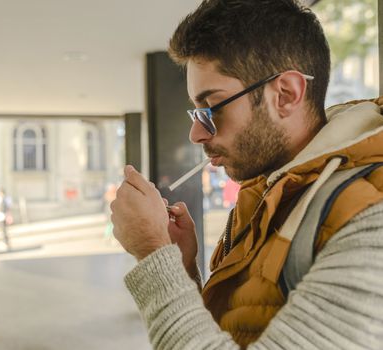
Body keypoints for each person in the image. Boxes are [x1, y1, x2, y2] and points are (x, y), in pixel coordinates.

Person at [110, 0, 383, 348]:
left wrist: (152, 252)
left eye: (213, 108)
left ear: (285, 94)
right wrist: (181, 268)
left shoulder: (372, 220)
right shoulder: (266, 192)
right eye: (198, 113)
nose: (197, 135)